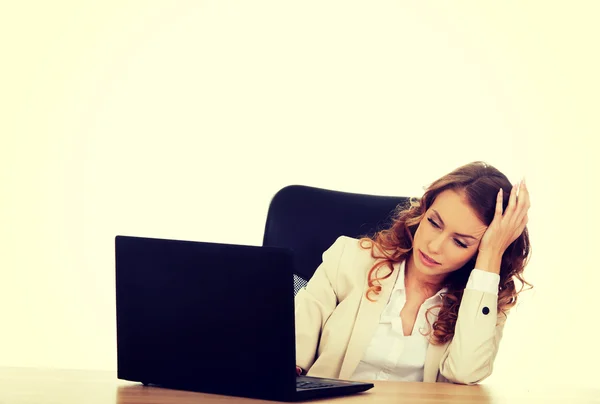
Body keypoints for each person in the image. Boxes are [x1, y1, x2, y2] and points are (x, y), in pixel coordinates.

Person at [294, 161, 531, 385]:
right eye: (434, 223)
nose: (434, 246)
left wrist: (490, 256)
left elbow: (465, 373)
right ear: (423, 211)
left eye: (460, 242)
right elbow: (294, 341)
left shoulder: (483, 302)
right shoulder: (349, 258)